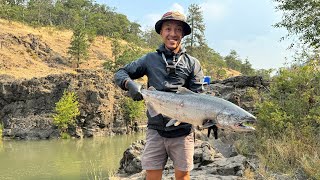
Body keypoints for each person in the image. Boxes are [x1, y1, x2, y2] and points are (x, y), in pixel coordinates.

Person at [114, 11, 204, 180]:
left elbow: (199, 96)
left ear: (183, 34)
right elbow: (121, 73)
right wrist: (129, 84)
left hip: (182, 132)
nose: (173, 33)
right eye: (168, 28)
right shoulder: (149, 59)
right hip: (155, 129)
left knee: (183, 176)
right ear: (161, 32)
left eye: (178, 29)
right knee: (152, 176)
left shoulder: (193, 63)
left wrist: (204, 118)